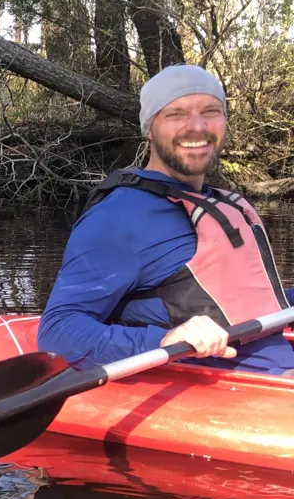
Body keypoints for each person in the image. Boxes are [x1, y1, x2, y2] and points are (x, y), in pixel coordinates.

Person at [37, 64, 294, 375]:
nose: (197, 126)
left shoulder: (219, 200)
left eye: (210, 111)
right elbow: (57, 333)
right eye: (176, 114)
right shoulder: (118, 217)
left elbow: (245, 302)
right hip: (228, 395)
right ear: (149, 127)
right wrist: (167, 339)